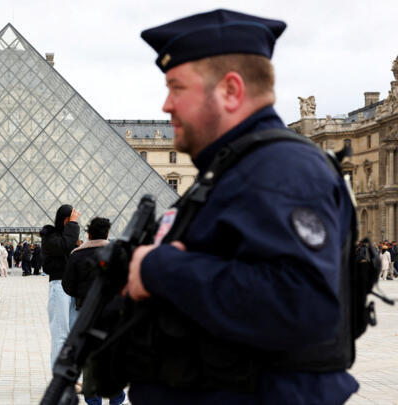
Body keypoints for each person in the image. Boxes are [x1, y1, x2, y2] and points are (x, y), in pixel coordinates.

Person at [122, 9, 358, 404]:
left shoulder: (282, 170)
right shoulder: (237, 169)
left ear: (231, 90)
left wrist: (160, 267)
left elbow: (301, 304)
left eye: (177, 87)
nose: (166, 105)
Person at [61, 217, 125, 405]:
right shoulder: (117, 252)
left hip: (86, 311)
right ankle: (116, 397)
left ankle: (93, 399)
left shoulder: (76, 255)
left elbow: (67, 286)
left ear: (88, 234)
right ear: (107, 233)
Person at [40, 204, 80, 366]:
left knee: (73, 334)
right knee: (60, 334)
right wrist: (73, 224)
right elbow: (65, 245)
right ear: (66, 220)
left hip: (73, 287)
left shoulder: (66, 236)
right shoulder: (50, 236)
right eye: (72, 219)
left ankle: (72, 378)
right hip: (59, 286)